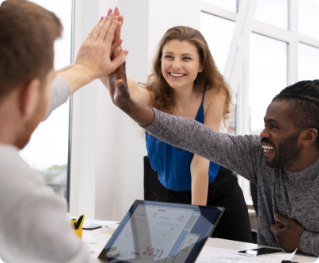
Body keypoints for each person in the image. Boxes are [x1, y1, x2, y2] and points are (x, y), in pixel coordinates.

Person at [109, 57, 319, 256]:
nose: (263, 134)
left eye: (274, 127)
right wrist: (131, 107)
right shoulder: (258, 155)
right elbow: (199, 137)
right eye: (265, 124)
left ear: (308, 136)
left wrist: (302, 240)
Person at [0, 1, 126, 262]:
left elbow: (35, 94)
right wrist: (85, 69)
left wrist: (85, 67)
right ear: (29, 95)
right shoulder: (14, 184)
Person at [106, 26, 253, 243]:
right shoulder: (153, 96)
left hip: (217, 193)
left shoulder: (214, 93)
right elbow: (131, 93)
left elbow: (200, 164)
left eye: (186, 58)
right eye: (169, 57)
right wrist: (113, 68)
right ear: (160, 62)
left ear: (201, 65)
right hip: (169, 195)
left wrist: (196, 227)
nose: (176, 65)